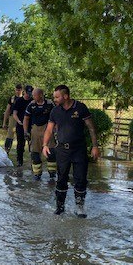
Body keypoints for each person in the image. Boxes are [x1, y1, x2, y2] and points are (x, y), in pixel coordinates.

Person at [42, 85, 100, 217]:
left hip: (79, 149)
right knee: (61, 178)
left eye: (57, 97)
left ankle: (79, 207)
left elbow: (91, 128)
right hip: (62, 150)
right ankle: (60, 207)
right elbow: (49, 129)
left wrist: (95, 146)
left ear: (66, 96)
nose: (54, 99)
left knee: (80, 179)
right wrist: (45, 145)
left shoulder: (80, 108)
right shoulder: (55, 111)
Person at [23, 88, 56, 181]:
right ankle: (37, 174)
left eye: (34, 95)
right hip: (35, 130)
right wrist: (26, 131)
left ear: (41, 95)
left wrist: (56, 129)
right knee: (35, 153)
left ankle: (52, 173)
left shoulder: (50, 104)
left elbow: (56, 116)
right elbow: (26, 118)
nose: (32, 97)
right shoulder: (31, 105)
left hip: (48, 129)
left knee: (51, 152)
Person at [12, 85, 33, 166]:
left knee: (32, 144)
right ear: (24, 92)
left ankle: (33, 161)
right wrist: (18, 121)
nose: (29, 95)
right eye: (28, 93)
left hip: (31, 125)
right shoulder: (19, 101)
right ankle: (19, 161)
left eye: (30, 93)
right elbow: (14, 114)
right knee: (20, 144)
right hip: (20, 125)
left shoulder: (32, 101)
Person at [2, 84, 23, 152]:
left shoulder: (24, 98)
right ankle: (6, 149)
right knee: (10, 133)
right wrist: (4, 123)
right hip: (13, 117)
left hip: (22, 117)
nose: (17, 91)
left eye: (19, 90)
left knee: (21, 134)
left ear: (22, 90)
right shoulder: (12, 99)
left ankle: (20, 150)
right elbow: (7, 110)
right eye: (16, 90)